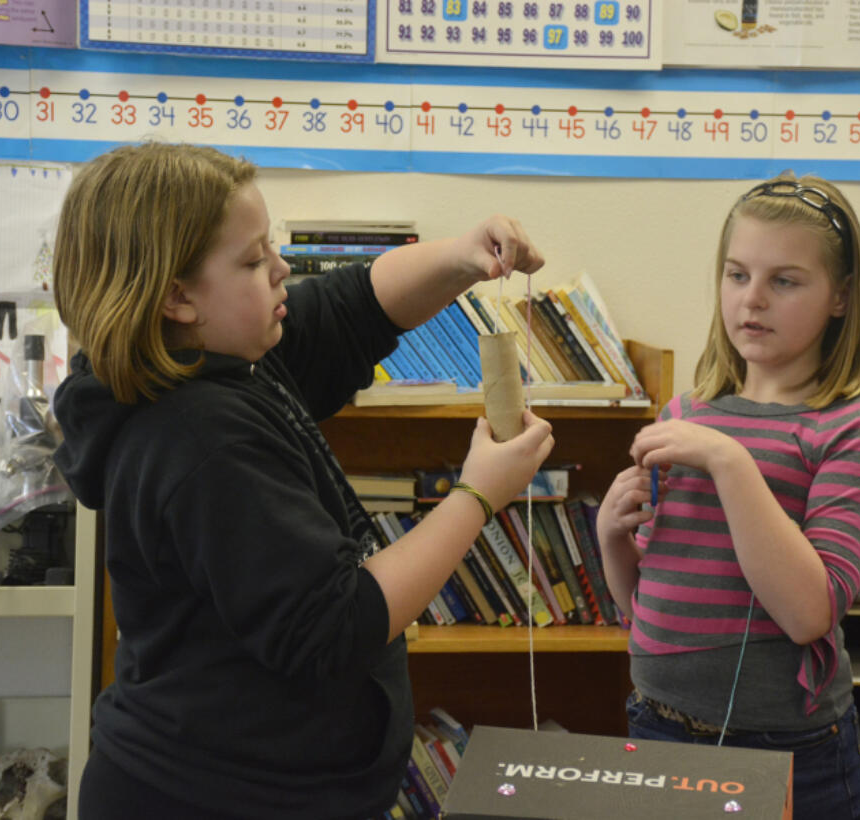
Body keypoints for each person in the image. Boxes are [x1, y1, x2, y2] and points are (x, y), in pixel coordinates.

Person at [50, 142, 554, 820]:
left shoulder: (220, 355)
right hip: (212, 798)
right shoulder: (199, 437)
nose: (282, 269)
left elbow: (353, 306)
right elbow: (337, 622)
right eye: (255, 260)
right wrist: (476, 496)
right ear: (178, 297)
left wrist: (462, 253)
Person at [596, 173, 860, 819]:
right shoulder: (686, 410)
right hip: (659, 728)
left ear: (841, 296)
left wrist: (729, 461)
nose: (752, 300)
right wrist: (611, 537)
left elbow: (807, 613)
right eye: (737, 276)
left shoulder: (856, 425)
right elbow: (648, 608)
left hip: (789, 754)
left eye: (784, 281)